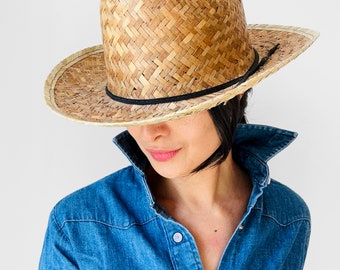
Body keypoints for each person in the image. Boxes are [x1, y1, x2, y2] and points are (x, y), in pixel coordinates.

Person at [39, 0, 318, 269]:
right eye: (134, 112)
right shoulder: (78, 226)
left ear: (235, 95)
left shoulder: (287, 219)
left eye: (176, 110)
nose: (150, 133)